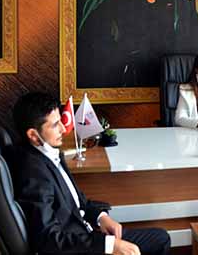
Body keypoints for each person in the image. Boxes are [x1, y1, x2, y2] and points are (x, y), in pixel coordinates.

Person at [11, 92, 171, 255]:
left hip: (87, 233)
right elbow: (48, 240)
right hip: (79, 246)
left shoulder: (48, 154)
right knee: (157, 241)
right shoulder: (33, 174)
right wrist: (109, 246)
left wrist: (101, 217)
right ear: (33, 135)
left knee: (160, 238)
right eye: (55, 125)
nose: (63, 129)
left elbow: (78, 201)